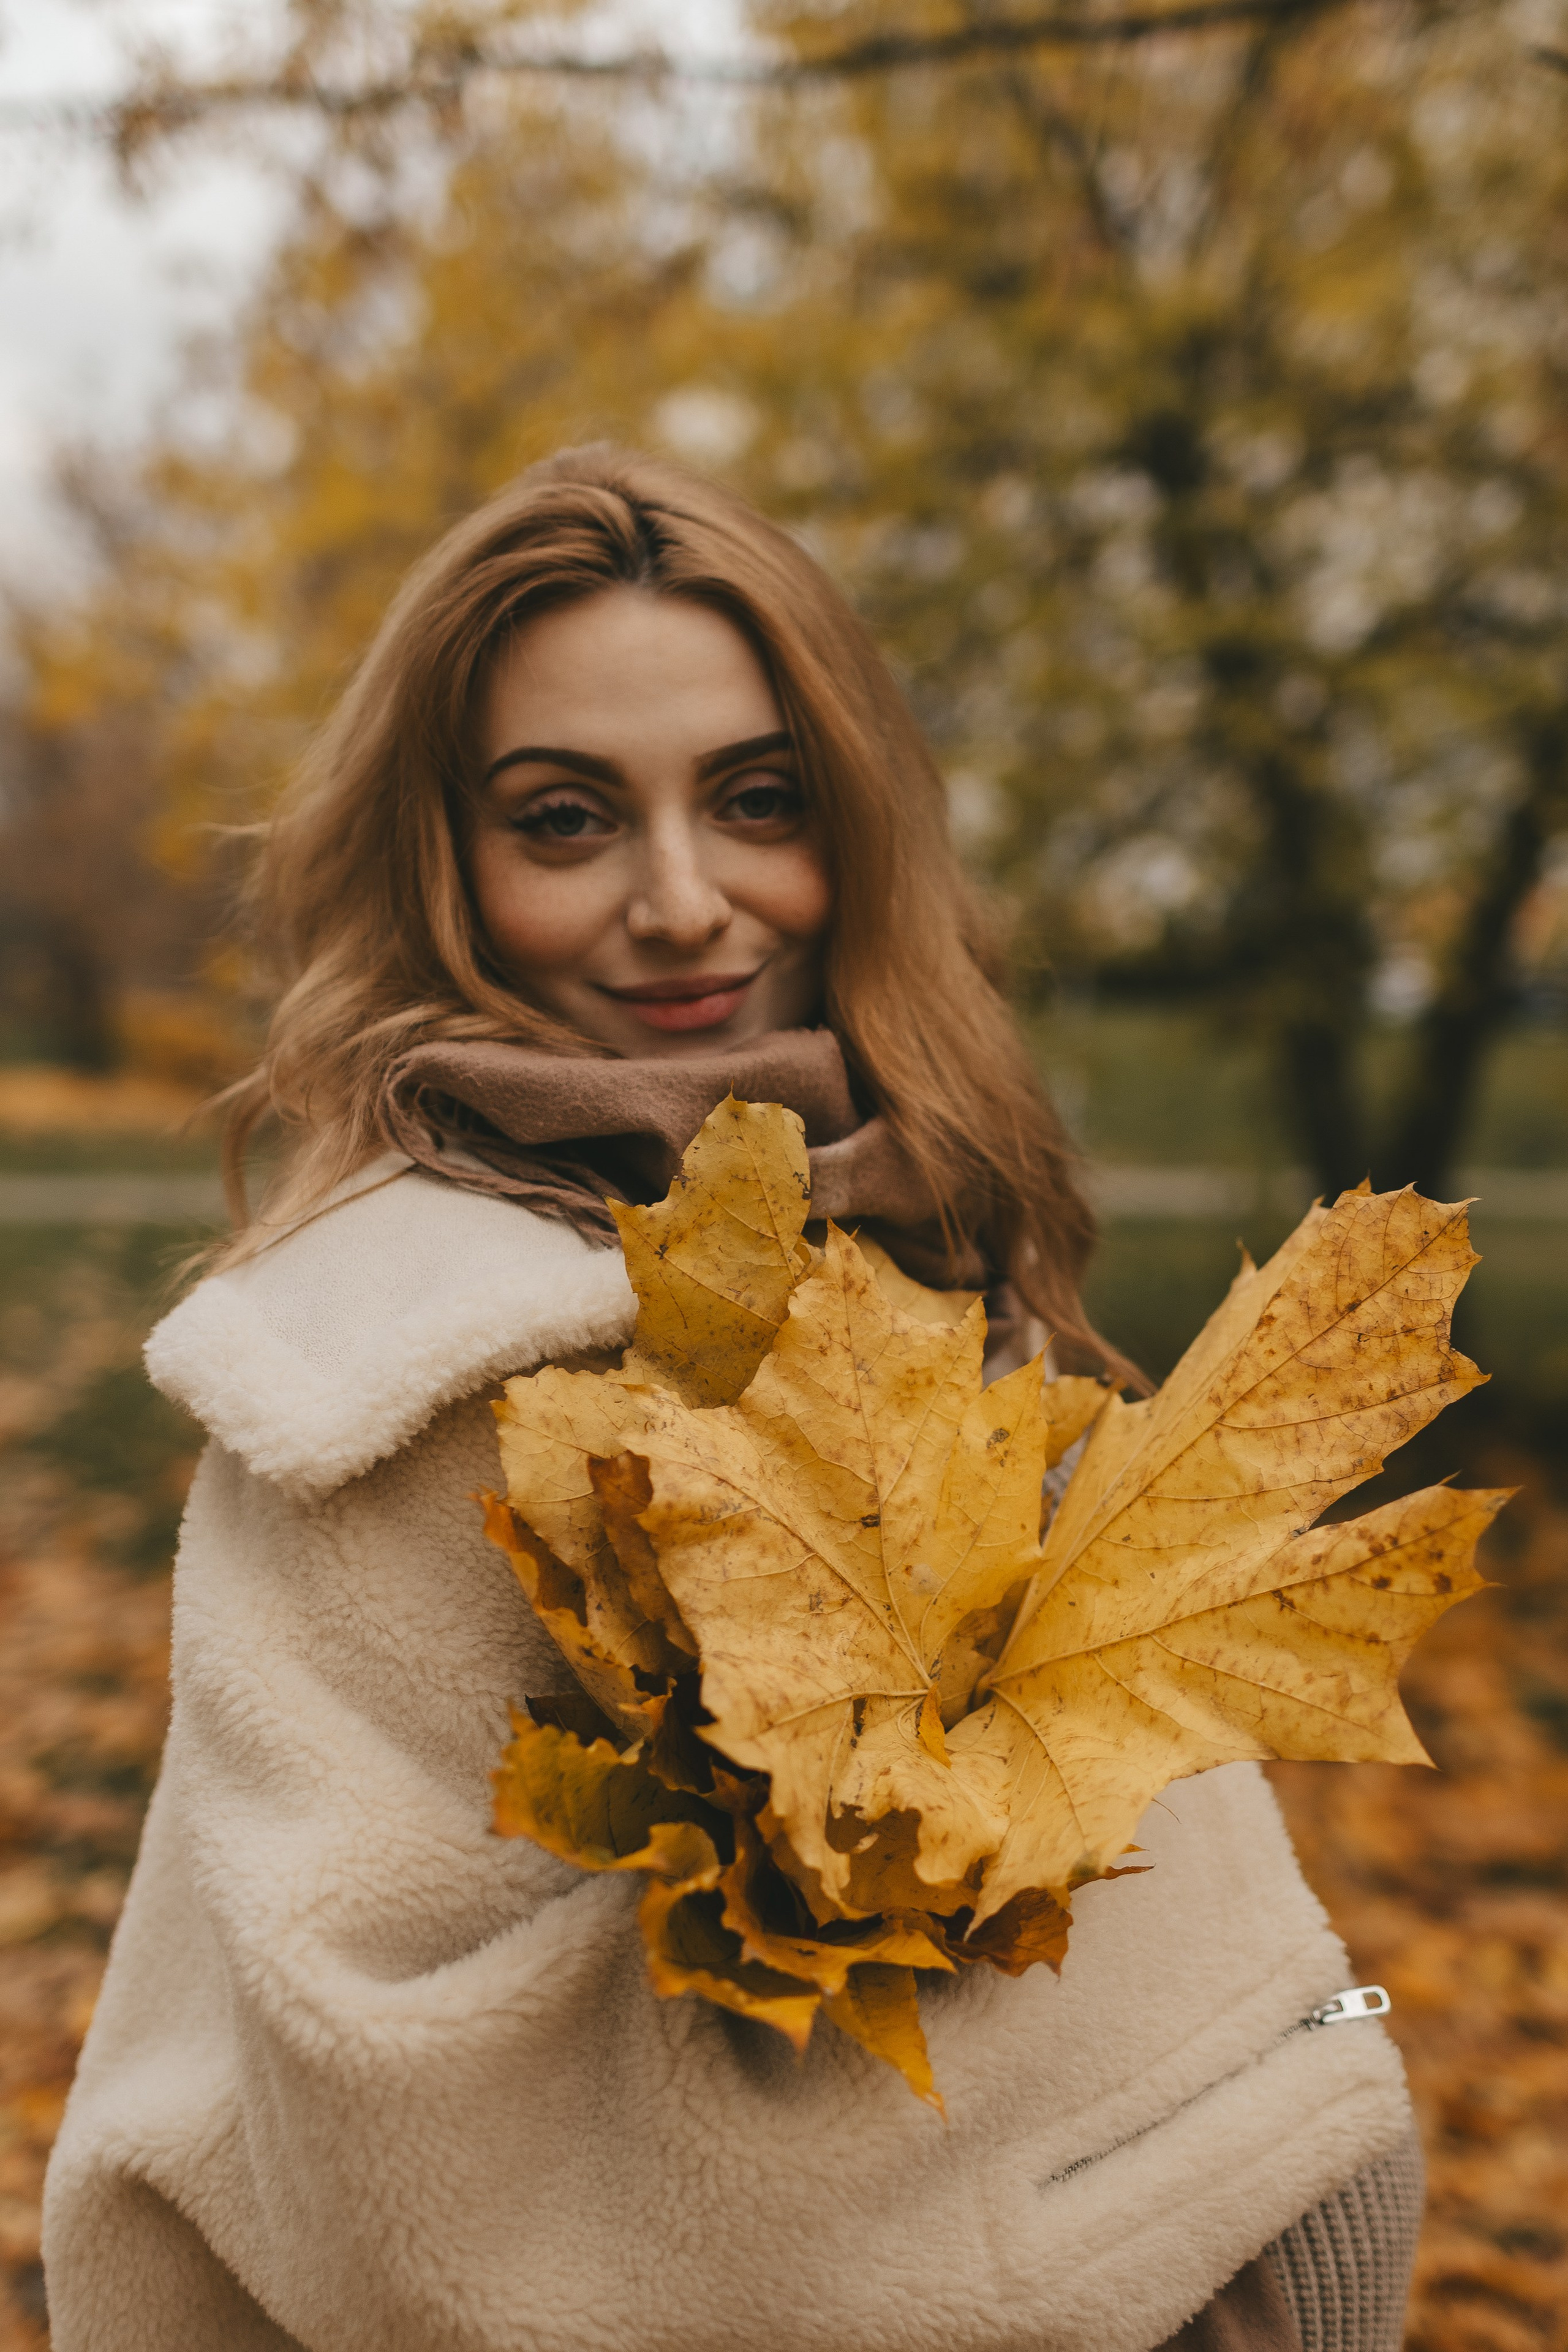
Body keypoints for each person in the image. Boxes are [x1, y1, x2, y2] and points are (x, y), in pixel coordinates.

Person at [42, 447, 1423, 2352]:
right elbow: (407, 2175)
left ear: (852, 827)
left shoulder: (929, 1259)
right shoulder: (406, 1394)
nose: (685, 904)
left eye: (757, 802)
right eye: (567, 820)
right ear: (451, 867)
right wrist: (1265, 2127)